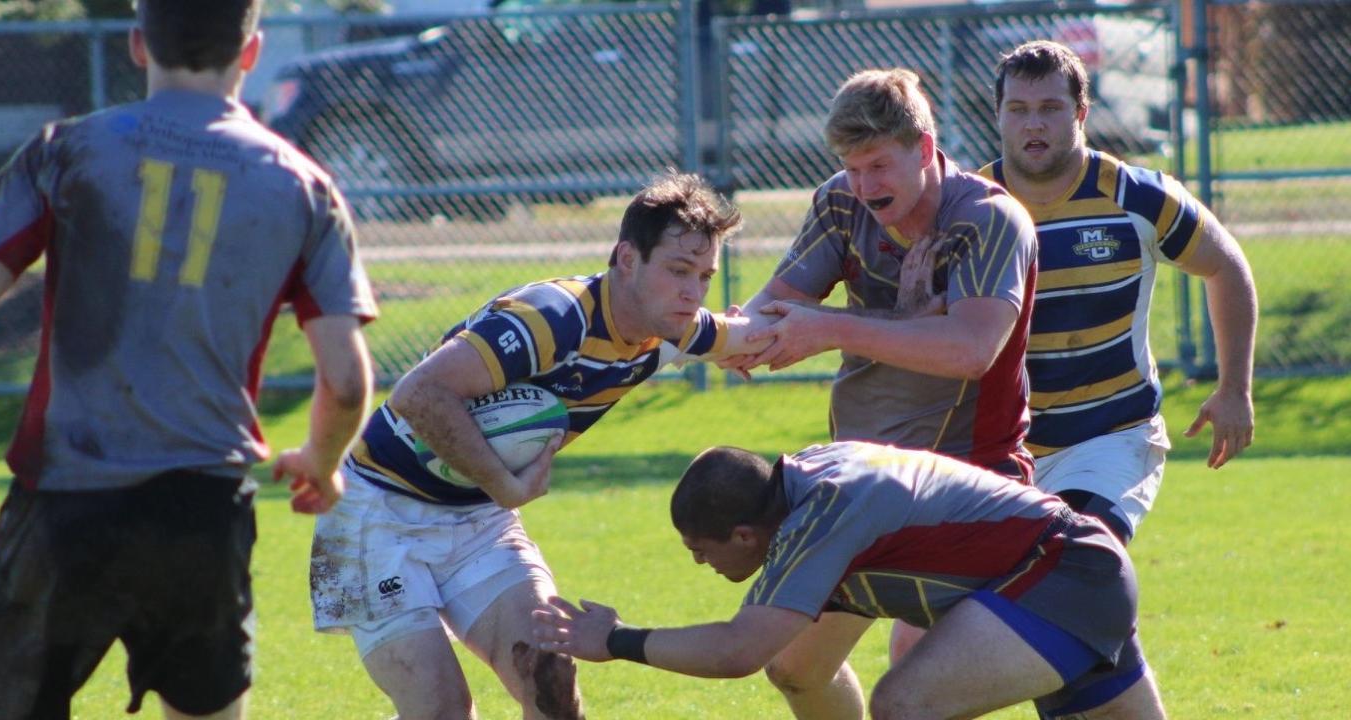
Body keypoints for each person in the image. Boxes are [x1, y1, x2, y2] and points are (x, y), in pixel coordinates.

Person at [0, 0, 378, 716]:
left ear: (136, 45)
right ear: (250, 52)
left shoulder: (65, 150)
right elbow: (346, 380)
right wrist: (322, 458)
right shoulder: (303, 186)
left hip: (66, 498)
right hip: (201, 506)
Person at [310, 171, 773, 720]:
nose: (693, 292)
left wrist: (801, 333)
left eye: (704, 275)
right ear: (627, 259)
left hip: (476, 519)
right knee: (440, 708)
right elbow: (418, 393)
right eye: (678, 271)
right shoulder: (550, 319)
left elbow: (750, 332)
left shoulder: (673, 327)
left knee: (551, 673)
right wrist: (505, 483)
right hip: (375, 515)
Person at [721, 67, 1040, 713]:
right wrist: (693, 329)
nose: (863, 186)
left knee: (915, 676)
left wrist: (832, 328)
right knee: (792, 666)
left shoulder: (989, 218)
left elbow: (971, 350)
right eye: (850, 167)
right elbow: (773, 312)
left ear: (924, 149)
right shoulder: (840, 202)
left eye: (878, 166)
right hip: (863, 486)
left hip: (966, 484)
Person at [533, 443, 1168, 719]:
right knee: (797, 667)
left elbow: (735, 652)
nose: (700, 564)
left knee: (902, 705)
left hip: (1066, 571)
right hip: (1053, 571)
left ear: (745, 536)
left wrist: (615, 640)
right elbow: (770, 654)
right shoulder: (799, 495)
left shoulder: (824, 515)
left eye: (701, 552)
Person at [985, 40, 1258, 544]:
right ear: (998, 114)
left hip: (1111, 436)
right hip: (1001, 448)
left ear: (1081, 113)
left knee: (1076, 556)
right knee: (950, 608)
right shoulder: (972, 209)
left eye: (1051, 108)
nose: (1034, 124)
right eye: (1018, 110)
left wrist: (1235, 390)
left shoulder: (1138, 195)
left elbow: (1227, 266)